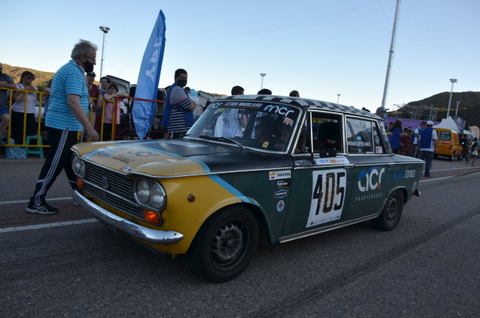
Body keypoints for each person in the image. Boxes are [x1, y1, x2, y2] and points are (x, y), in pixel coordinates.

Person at [26, 39, 100, 215]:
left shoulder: (74, 70)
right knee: (55, 164)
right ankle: (36, 200)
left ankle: (80, 194)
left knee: (69, 162)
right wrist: (89, 128)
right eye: (93, 58)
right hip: (63, 126)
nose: (95, 62)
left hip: (65, 125)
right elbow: (73, 102)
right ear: (82, 57)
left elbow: (76, 98)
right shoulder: (74, 73)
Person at [161, 69, 196, 139]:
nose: (184, 80)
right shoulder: (177, 90)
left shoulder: (178, 89)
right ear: (175, 78)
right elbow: (190, 107)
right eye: (181, 77)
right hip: (179, 130)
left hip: (180, 129)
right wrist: (193, 103)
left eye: (185, 78)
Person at [11, 71, 39, 144]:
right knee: (18, 132)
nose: (30, 80)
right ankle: (16, 149)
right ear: (23, 77)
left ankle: (25, 147)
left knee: (31, 131)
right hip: (19, 112)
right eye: (29, 77)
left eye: (32, 78)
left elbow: (39, 99)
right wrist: (24, 90)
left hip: (30, 112)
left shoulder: (34, 88)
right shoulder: (18, 86)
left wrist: (35, 91)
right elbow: (17, 99)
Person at [0, 62, 17, 143]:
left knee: (7, 118)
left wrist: (3, 84)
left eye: (1, 68)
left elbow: (14, 86)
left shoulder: (4, 76)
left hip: (2, 105)